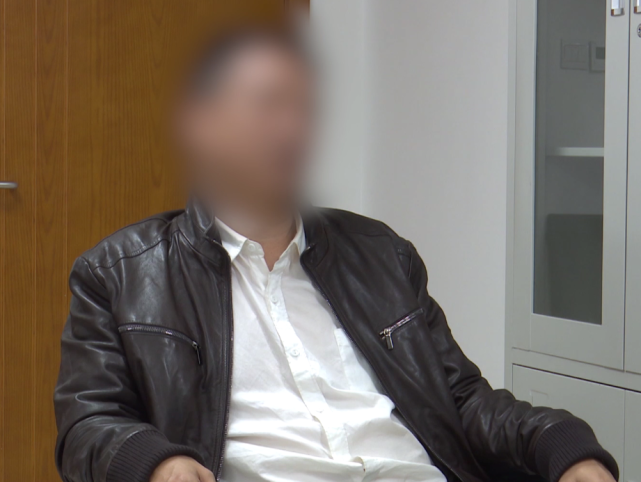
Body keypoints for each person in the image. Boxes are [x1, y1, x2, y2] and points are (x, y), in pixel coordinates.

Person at [54, 28, 618, 482]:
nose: (292, 129)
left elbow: (461, 400)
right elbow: (88, 423)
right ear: (205, 127)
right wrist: (157, 463)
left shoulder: (380, 254)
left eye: (305, 109)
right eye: (269, 105)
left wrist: (562, 445)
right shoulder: (120, 274)